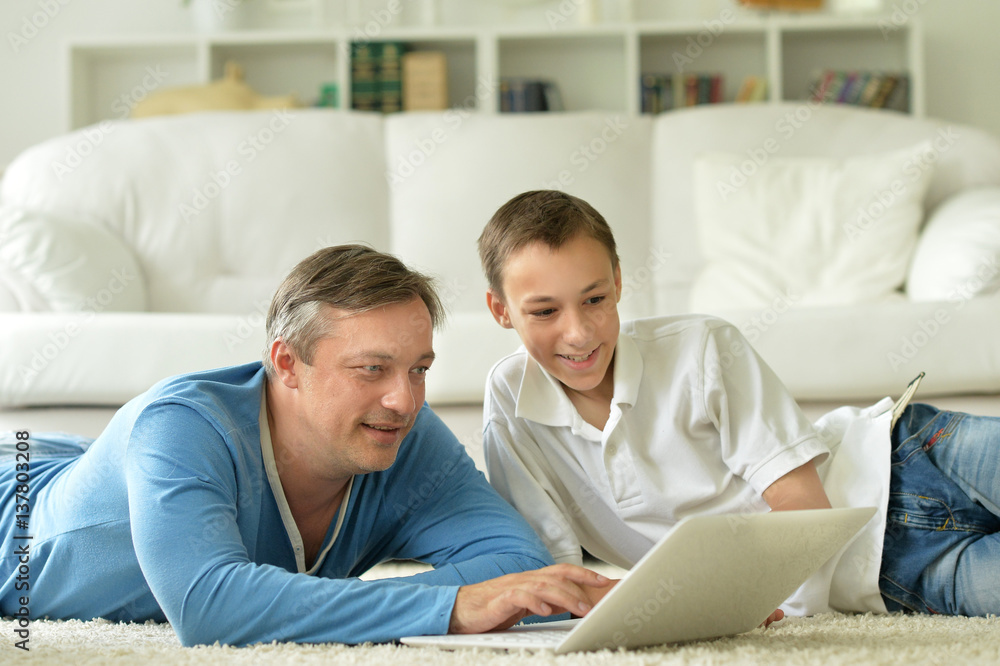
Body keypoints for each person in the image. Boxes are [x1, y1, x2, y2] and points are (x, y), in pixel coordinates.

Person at [0, 244, 610, 647]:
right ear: (287, 364)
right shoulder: (182, 425)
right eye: (372, 369)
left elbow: (519, 570)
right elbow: (209, 607)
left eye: (419, 369)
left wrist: (475, 598)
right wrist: (452, 605)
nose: (405, 400)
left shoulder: (403, 437)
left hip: (84, 460)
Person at [477, 189, 1000, 619]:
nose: (578, 332)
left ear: (617, 279)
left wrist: (755, 605)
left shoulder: (701, 346)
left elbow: (805, 509)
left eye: (594, 299)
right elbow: (554, 574)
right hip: (896, 578)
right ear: (501, 310)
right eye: (544, 311)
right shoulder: (508, 403)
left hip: (910, 459)